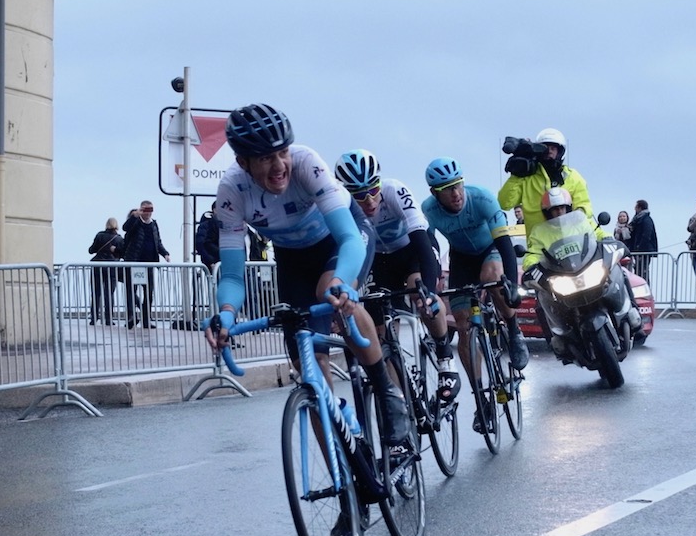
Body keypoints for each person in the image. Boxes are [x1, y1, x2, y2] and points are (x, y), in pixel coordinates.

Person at [204, 104, 411, 476]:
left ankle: (387, 392)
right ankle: (347, 479)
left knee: (326, 292)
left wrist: (342, 282)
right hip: (293, 259)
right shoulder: (231, 191)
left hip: (341, 241)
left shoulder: (306, 164)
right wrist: (226, 314)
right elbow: (233, 277)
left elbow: (349, 238)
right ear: (243, 161)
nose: (279, 165)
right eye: (266, 158)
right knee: (310, 371)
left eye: (282, 152)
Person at [333, 148, 458, 402]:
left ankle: (445, 358)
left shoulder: (393, 190)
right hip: (379, 260)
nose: (369, 201)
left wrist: (431, 293)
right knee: (380, 336)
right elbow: (349, 259)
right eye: (359, 195)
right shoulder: (341, 208)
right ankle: (402, 402)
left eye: (373, 190)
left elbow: (421, 241)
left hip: (412, 249)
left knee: (421, 293)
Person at [420, 156, 529, 430]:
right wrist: (430, 280)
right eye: (447, 189)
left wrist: (512, 285)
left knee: (492, 278)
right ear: (435, 193)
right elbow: (428, 246)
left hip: (490, 250)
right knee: (465, 327)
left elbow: (503, 242)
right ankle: (482, 401)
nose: (455, 194)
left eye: (458, 185)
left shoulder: (481, 199)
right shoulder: (429, 210)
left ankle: (513, 330)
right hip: (461, 259)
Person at [498, 128, 600, 248]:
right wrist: (516, 175)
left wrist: (603, 237)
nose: (549, 151)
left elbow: (585, 211)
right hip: (540, 250)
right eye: (545, 148)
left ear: (560, 151)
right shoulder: (526, 178)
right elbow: (504, 203)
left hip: (574, 247)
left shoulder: (573, 177)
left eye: (553, 148)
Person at [122, 200, 170, 329]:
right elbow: (125, 228)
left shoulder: (154, 224)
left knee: (148, 292)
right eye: (145, 210)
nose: (148, 213)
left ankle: (146, 318)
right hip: (134, 261)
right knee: (131, 290)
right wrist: (135, 216)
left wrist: (165, 253)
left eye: (150, 210)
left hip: (149, 262)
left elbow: (157, 241)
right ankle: (132, 316)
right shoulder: (136, 222)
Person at [86, 216, 124, 325]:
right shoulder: (119, 239)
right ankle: (109, 319)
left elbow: (91, 250)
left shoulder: (100, 236)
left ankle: (94, 318)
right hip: (112, 267)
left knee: (96, 292)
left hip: (98, 266)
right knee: (109, 293)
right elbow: (121, 253)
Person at [629, 199, 658, 279]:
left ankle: (645, 289)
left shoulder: (646, 220)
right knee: (638, 271)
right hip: (639, 251)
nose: (634, 209)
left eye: (636, 207)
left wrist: (639, 249)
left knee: (643, 272)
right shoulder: (639, 219)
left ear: (639, 207)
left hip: (644, 251)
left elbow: (646, 235)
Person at [193, 201, 221, 274]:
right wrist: (210, 261)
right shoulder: (206, 225)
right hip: (213, 263)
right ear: (215, 210)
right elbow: (200, 244)